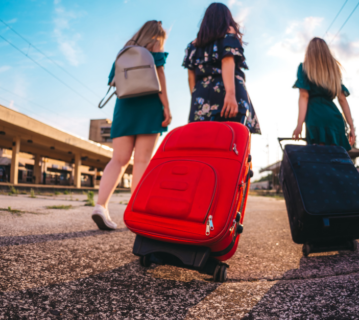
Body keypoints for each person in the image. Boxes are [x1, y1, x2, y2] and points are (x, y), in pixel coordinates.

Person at [91, 20, 172, 230]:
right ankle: (136, 212)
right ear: (158, 36)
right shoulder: (156, 48)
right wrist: (167, 108)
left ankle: (100, 206)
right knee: (142, 161)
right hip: (149, 108)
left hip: (125, 108)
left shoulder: (125, 51)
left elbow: (112, 82)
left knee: (118, 160)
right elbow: (160, 77)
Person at [182, 2, 261, 134]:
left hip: (201, 95)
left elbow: (191, 76)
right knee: (234, 140)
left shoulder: (192, 46)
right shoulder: (228, 35)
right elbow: (227, 61)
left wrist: (197, 100)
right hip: (229, 92)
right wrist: (230, 94)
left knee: (202, 143)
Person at [292, 37, 355, 150]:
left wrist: (299, 124)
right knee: (336, 160)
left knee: (319, 160)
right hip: (334, 118)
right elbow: (342, 99)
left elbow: (304, 96)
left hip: (315, 117)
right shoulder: (334, 71)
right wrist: (351, 126)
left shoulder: (304, 68)